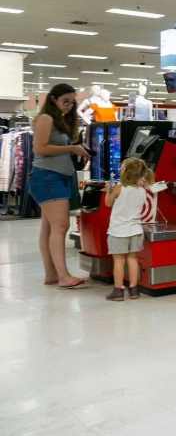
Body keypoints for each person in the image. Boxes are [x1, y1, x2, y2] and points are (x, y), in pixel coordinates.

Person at [28, 83, 91, 289]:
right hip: (48, 176)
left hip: (57, 176)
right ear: (53, 99)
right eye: (66, 101)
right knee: (61, 226)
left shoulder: (59, 120)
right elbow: (40, 148)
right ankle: (63, 276)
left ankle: (52, 273)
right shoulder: (46, 119)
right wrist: (71, 147)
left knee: (49, 227)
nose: (69, 106)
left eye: (72, 102)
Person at [103, 157, 154, 301]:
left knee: (119, 260)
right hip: (135, 230)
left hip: (118, 231)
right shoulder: (142, 191)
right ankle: (133, 289)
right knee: (132, 259)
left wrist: (108, 189)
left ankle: (118, 291)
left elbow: (108, 203)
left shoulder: (119, 188)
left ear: (125, 172)